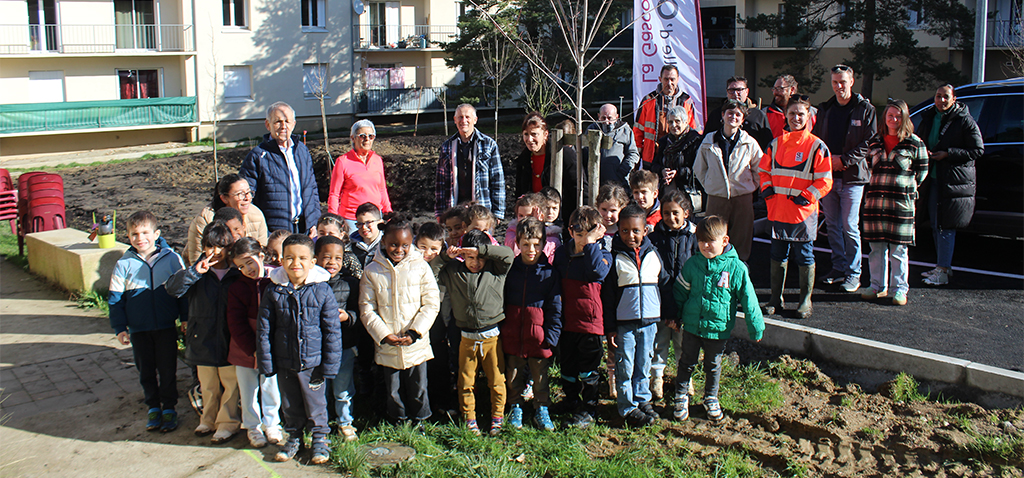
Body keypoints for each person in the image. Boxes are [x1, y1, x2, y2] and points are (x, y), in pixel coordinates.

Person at [256, 234, 340, 464]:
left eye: (303, 258)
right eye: (290, 258)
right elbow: (264, 330)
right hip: (284, 361)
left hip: (312, 365)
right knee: (290, 403)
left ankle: (320, 440)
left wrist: (330, 365)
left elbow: (332, 331)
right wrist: (267, 362)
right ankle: (294, 437)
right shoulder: (273, 292)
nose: (296, 263)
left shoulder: (322, 291)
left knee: (316, 405)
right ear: (281, 261)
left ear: (313, 261)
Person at [672, 216, 764, 422]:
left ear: (724, 240)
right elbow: (680, 292)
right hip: (693, 326)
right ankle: (681, 394)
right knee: (686, 360)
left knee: (713, 364)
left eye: (710, 241)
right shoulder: (693, 264)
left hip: (718, 329)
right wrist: (675, 316)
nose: (705, 246)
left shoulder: (736, 268)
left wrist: (756, 326)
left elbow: (749, 298)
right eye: (701, 241)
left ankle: (711, 397)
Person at [108, 211, 187, 433]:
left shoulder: (171, 259)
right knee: (146, 370)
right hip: (139, 329)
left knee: (168, 368)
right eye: (134, 234)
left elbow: (182, 291)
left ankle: (169, 407)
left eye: (145, 232)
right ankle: (153, 406)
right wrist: (119, 327)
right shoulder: (124, 264)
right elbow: (115, 299)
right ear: (127, 236)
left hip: (165, 327)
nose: (140, 238)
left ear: (156, 234)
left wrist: (185, 318)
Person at [166, 221, 242, 444]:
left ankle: (227, 423)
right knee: (207, 384)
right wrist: (193, 273)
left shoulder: (236, 273)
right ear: (204, 247)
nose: (215, 253)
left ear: (230, 247)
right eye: (210, 247)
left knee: (230, 383)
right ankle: (207, 419)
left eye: (222, 247)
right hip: (203, 338)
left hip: (229, 338)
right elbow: (172, 289)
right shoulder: (198, 273)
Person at [359, 218, 439, 427]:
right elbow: (367, 308)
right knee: (392, 387)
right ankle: (398, 419)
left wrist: (415, 332)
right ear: (383, 241)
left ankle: (420, 419)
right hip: (388, 342)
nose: (399, 250)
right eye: (394, 244)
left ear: (411, 242)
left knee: (419, 385)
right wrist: (384, 335)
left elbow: (431, 303)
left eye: (405, 245)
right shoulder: (372, 271)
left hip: (415, 343)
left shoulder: (420, 266)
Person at [759, 96, 833, 319]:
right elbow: (764, 172)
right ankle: (775, 299)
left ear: (809, 116)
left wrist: (808, 196)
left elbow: (825, 180)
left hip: (803, 213)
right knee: (777, 255)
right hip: (778, 210)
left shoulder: (817, 146)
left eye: (801, 113)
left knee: (804, 256)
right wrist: (766, 189)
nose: (796, 118)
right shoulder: (775, 144)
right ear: (786, 116)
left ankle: (804, 301)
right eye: (792, 113)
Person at [435, 229, 514, 435]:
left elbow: (508, 254)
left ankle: (497, 416)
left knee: (497, 379)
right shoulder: (453, 271)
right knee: (466, 381)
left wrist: (481, 250)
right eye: (470, 257)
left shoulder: (496, 270)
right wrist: (446, 256)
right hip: (466, 338)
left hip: (492, 337)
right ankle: (469, 418)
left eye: (479, 258)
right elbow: (433, 269)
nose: (475, 262)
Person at [812, 65, 877, 292]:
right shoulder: (826, 109)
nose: (839, 86)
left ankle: (854, 273)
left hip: (852, 178)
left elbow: (869, 142)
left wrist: (845, 160)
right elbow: (817, 141)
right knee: (831, 224)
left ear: (852, 81)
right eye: (835, 82)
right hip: (828, 177)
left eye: (843, 82)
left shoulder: (865, 109)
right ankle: (838, 267)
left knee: (849, 225)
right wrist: (828, 161)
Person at [860, 99, 930, 306]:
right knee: (876, 247)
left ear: (905, 118)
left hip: (900, 203)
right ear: (885, 118)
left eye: (898, 116)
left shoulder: (914, 143)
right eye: (890, 115)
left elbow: (922, 171)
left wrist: (906, 187)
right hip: (876, 202)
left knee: (899, 249)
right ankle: (876, 286)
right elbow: (868, 166)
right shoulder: (875, 141)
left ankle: (899, 289)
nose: (894, 119)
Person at [604, 204, 666, 427]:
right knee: (625, 365)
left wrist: (667, 313)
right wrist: (610, 327)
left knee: (643, 363)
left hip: (649, 322)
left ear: (645, 231)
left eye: (636, 231)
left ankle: (642, 401)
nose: (630, 235)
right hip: (624, 324)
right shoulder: (614, 258)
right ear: (618, 231)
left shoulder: (653, 254)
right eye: (625, 231)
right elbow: (608, 296)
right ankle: (627, 408)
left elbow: (664, 284)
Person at [915, 84, 984, 286]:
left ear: (954, 99)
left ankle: (943, 271)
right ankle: (941, 267)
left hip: (953, 183)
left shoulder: (964, 121)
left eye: (946, 97)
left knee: (946, 227)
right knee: (936, 226)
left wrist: (949, 153)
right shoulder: (929, 117)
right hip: (933, 180)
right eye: (938, 96)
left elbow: (977, 150)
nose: (941, 100)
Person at [551, 206, 612, 428]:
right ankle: (570, 399)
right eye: (579, 236)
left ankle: (589, 409)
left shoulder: (601, 254)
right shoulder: (561, 254)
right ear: (570, 231)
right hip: (567, 321)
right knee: (567, 366)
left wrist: (592, 245)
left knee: (589, 368)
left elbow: (598, 272)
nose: (582, 241)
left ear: (598, 234)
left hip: (590, 324)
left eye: (588, 236)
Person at [502, 217, 562, 431]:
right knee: (513, 374)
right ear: (517, 243)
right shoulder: (510, 272)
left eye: (536, 244)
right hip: (513, 334)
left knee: (540, 377)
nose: (531, 249)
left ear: (544, 244)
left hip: (539, 337)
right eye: (526, 244)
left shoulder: (549, 273)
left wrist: (552, 336)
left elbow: (555, 307)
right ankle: (515, 406)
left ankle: (542, 408)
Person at [225, 238, 284, 448]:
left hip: (271, 346)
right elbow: (236, 323)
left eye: (249, 262)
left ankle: (272, 424)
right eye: (241, 266)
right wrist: (253, 350)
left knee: (270, 386)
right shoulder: (237, 289)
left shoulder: (276, 279)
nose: (247, 269)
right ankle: (252, 427)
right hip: (244, 349)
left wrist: (269, 348)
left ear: (261, 255)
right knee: (248, 389)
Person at [694, 99, 764, 261]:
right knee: (713, 236)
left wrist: (750, 187)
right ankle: (714, 267)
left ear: (743, 119)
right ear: (723, 115)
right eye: (730, 113)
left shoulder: (750, 143)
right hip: (716, 198)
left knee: (742, 236)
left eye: (738, 114)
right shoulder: (709, 141)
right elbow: (699, 168)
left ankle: (740, 268)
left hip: (742, 199)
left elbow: (759, 169)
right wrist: (712, 185)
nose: (733, 117)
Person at [240, 102, 321, 235]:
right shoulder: (258, 156)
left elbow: (311, 188)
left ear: (294, 124)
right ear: (268, 125)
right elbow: (247, 196)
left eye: (287, 121)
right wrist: (260, 230)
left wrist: (314, 221)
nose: (284, 126)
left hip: (304, 229)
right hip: (274, 231)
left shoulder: (302, 151)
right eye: (278, 121)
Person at [647, 189, 697, 401]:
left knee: (683, 343)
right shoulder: (655, 238)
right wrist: (667, 304)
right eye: (666, 213)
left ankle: (685, 378)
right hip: (661, 298)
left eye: (675, 213)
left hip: (686, 302)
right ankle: (656, 377)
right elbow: (658, 270)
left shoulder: (694, 238)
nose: (671, 218)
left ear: (686, 213)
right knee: (660, 341)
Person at [315, 235, 364, 441]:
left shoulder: (350, 283)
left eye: (338, 258)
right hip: (316, 346)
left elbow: (358, 312)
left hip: (344, 344)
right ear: (315, 257)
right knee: (320, 386)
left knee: (343, 386)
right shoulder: (311, 282)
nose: (332, 263)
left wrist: (348, 317)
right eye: (327, 257)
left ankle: (345, 422)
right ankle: (321, 422)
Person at [435, 104, 506, 221]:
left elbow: (497, 180)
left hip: (482, 211)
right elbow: (440, 182)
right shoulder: (447, 147)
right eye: (460, 117)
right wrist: (439, 212)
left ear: (475, 120)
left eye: (467, 117)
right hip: (455, 211)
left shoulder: (489, 145)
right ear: (455, 120)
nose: (464, 121)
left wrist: (498, 213)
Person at [185, 174, 268, 265]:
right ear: (224, 198)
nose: (247, 198)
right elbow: (196, 261)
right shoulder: (205, 220)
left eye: (248, 192)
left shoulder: (256, 215)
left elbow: (262, 252)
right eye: (240, 194)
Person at [515, 112, 585, 222]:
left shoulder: (563, 154)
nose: (529, 139)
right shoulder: (523, 160)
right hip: (533, 220)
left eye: (534, 134)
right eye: (526, 134)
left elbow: (579, 187)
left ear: (545, 134)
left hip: (563, 219)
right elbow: (519, 193)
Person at [328, 119, 393, 230]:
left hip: (375, 219)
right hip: (352, 220)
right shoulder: (343, 162)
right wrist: (333, 220)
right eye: (362, 136)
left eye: (371, 136)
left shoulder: (377, 160)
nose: (367, 139)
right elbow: (334, 194)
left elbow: (382, 190)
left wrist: (389, 213)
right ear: (353, 138)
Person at [635, 65, 701, 169]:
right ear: (660, 79)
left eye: (672, 79)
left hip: (679, 158)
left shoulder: (686, 102)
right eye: (666, 79)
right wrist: (636, 160)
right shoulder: (648, 100)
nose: (669, 83)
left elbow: (695, 133)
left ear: (678, 79)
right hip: (652, 158)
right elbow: (637, 132)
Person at [703, 77, 773, 151]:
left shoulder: (758, 116)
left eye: (739, 90)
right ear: (727, 92)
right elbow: (706, 143)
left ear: (747, 91)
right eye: (731, 90)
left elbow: (767, 146)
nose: (735, 94)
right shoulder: (716, 114)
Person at [586, 104, 640, 189]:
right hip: (595, 181)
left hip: (618, 181)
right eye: (603, 118)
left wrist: (623, 170)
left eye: (610, 118)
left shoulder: (625, 131)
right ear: (598, 116)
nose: (606, 121)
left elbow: (633, 154)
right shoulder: (592, 129)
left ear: (617, 117)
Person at [651, 106, 703, 192]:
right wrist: (662, 171)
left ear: (686, 122)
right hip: (666, 188)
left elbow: (698, 170)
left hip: (687, 189)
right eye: (670, 122)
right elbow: (654, 165)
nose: (673, 125)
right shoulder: (664, 142)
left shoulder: (695, 141)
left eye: (677, 121)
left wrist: (677, 173)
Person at [763, 75, 817, 139]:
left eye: (779, 89)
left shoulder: (813, 113)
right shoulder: (765, 113)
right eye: (774, 89)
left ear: (792, 90)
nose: (775, 92)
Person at [350, 202, 384, 267]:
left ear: (380, 223)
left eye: (368, 222)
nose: (364, 227)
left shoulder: (387, 244)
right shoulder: (351, 245)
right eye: (360, 224)